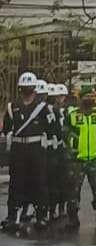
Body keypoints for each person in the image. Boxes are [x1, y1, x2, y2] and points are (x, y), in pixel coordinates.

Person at [2, 72, 56, 232]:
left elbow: (53, 129)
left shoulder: (43, 108)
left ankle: (41, 216)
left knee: (39, 182)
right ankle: (12, 216)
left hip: (36, 149)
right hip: (19, 150)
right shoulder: (13, 107)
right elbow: (7, 128)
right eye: (24, 89)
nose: (27, 91)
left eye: (29, 88)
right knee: (16, 184)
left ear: (34, 90)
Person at [65, 89, 96, 230]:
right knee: (73, 191)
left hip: (95, 158)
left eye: (92, 96)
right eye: (87, 96)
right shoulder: (72, 115)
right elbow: (64, 134)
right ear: (80, 98)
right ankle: (72, 218)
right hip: (76, 159)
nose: (90, 98)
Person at [44, 83, 69, 221]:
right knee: (50, 181)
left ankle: (60, 207)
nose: (57, 99)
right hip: (50, 149)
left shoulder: (67, 111)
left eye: (60, 96)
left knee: (61, 181)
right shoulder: (47, 111)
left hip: (61, 149)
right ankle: (51, 208)